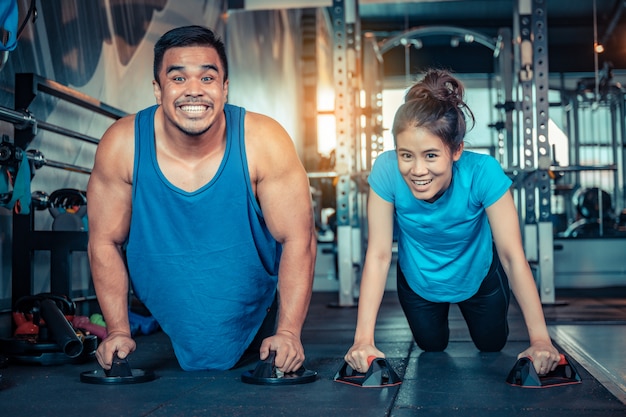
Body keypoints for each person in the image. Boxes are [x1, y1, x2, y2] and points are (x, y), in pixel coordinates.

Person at [87, 25, 316, 372]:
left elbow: (299, 238)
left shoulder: (264, 140)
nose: (194, 91)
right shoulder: (122, 144)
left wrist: (288, 332)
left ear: (225, 88)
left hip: (255, 314)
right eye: (178, 79)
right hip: (163, 316)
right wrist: (118, 330)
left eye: (208, 79)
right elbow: (104, 240)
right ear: (157, 88)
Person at [344, 69, 560, 375]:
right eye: (406, 155)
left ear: (456, 150)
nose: (417, 170)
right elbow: (378, 255)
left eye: (431, 155)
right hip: (419, 279)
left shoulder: (483, 172)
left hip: (478, 276)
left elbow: (512, 256)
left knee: (491, 344)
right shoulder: (386, 170)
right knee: (431, 346)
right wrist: (362, 340)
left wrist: (541, 339)